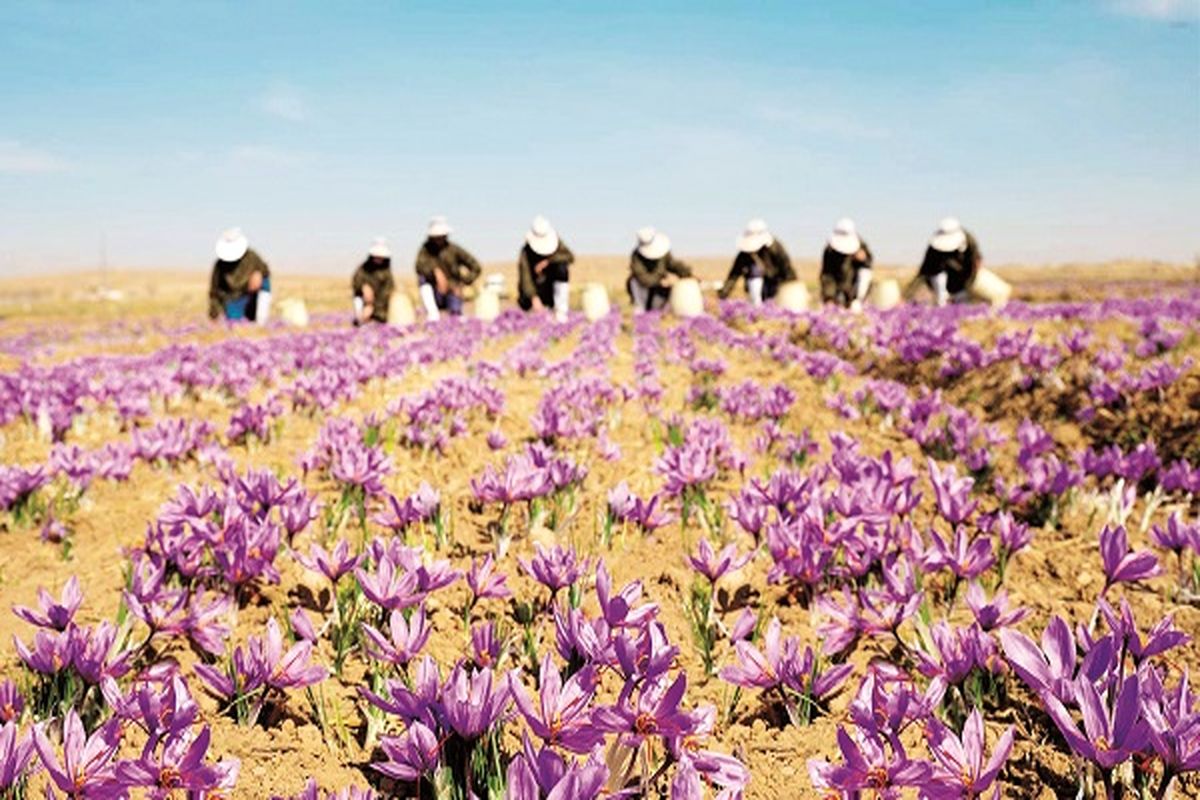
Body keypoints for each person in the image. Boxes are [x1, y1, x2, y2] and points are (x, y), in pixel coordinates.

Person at [414, 216, 482, 319]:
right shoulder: (425, 250)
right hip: (435, 292)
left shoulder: (454, 249)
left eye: (442, 236)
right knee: (422, 279)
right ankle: (433, 314)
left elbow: (476, 267)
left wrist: (463, 283)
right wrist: (435, 271)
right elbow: (419, 266)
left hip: (452, 291)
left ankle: (455, 312)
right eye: (436, 236)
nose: (439, 239)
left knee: (456, 313)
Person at [718, 218, 796, 305]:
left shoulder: (774, 248)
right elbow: (734, 274)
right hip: (754, 290)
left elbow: (786, 268)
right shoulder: (745, 254)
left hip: (774, 285)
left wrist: (791, 289)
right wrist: (723, 294)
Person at [907, 217, 982, 306]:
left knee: (963, 298)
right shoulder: (933, 248)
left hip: (963, 276)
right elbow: (924, 270)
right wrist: (908, 294)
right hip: (940, 279)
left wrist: (970, 283)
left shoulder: (969, 240)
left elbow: (977, 261)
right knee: (940, 291)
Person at [517, 215, 574, 321]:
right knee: (528, 305)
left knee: (562, 267)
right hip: (535, 289)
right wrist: (534, 297)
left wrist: (548, 261)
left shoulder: (557, 242)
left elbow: (569, 256)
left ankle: (561, 310)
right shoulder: (526, 252)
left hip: (550, 288)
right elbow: (525, 278)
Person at [209, 228, 271, 323]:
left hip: (252, 292)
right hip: (235, 296)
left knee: (264, 284)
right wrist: (214, 313)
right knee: (234, 320)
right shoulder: (220, 265)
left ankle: (261, 319)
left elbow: (265, 270)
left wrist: (258, 274)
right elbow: (215, 291)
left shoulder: (251, 256)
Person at [627, 227, 692, 312]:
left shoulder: (663, 251)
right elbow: (645, 280)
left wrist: (687, 273)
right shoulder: (636, 257)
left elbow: (672, 264)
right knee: (641, 304)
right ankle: (641, 310)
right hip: (643, 287)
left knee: (656, 307)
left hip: (660, 287)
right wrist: (662, 281)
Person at [820, 218, 874, 311]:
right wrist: (829, 297)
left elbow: (867, 269)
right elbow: (827, 275)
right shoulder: (830, 251)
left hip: (855, 287)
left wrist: (864, 259)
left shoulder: (860, 246)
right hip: (837, 287)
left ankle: (857, 300)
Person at [352, 237, 395, 325]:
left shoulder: (387, 273)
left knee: (380, 319)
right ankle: (361, 319)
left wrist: (373, 307)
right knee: (358, 303)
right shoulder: (364, 268)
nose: (378, 259)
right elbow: (356, 281)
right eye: (376, 256)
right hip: (363, 301)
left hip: (379, 305)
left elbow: (386, 293)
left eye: (380, 256)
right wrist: (363, 287)